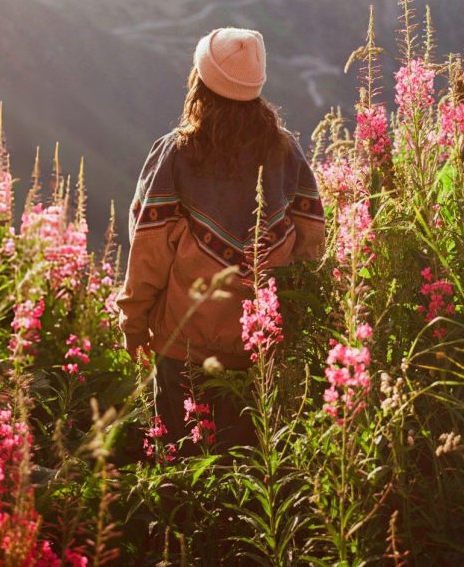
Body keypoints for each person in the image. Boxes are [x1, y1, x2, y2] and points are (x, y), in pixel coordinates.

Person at [116, 27, 326, 455]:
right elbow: (312, 246)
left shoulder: (175, 154)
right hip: (260, 351)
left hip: (182, 350)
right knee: (247, 467)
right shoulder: (287, 154)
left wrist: (133, 322)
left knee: (180, 465)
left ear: (200, 82)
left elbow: (148, 250)